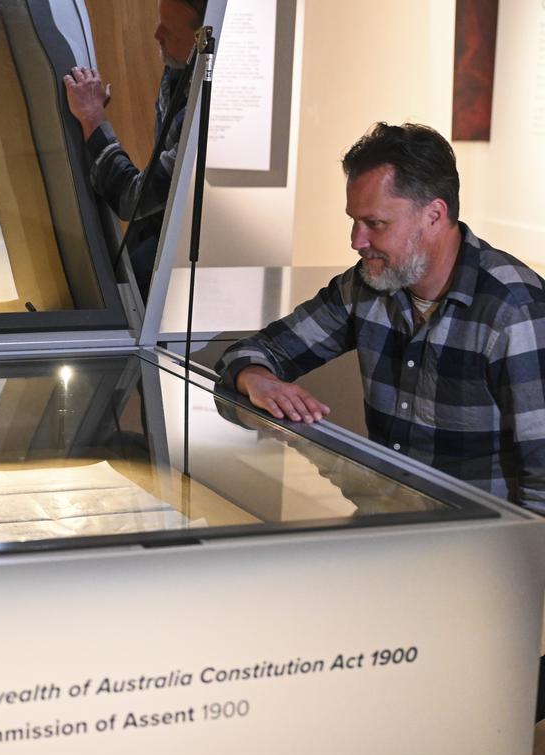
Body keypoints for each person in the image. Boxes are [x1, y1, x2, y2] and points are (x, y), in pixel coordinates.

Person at [216, 122, 545, 515]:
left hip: (474, 550)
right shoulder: (365, 286)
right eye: (354, 221)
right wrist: (256, 378)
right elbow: (256, 350)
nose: (356, 241)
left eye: (375, 224)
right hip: (383, 528)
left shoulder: (515, 311)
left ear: (434, 215)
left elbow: (542, 485)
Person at [63, 0, 206, 299]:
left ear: (201, 41)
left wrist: (93, 119)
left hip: (177, 282)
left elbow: (133, 199)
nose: (156, 34)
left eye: (169, 31)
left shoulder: (209, 108)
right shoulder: (180, 72)